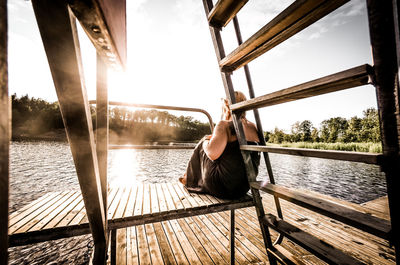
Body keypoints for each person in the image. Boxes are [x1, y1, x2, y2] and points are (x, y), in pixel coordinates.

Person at [179, 91, 260, 199]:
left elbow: (212, 154)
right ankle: (188, 177)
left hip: (222, 187)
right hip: (244, 187)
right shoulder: (253, 126)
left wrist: (206, 142)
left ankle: (188, 179)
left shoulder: (225, 125)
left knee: (204, 140)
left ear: (226, 107)